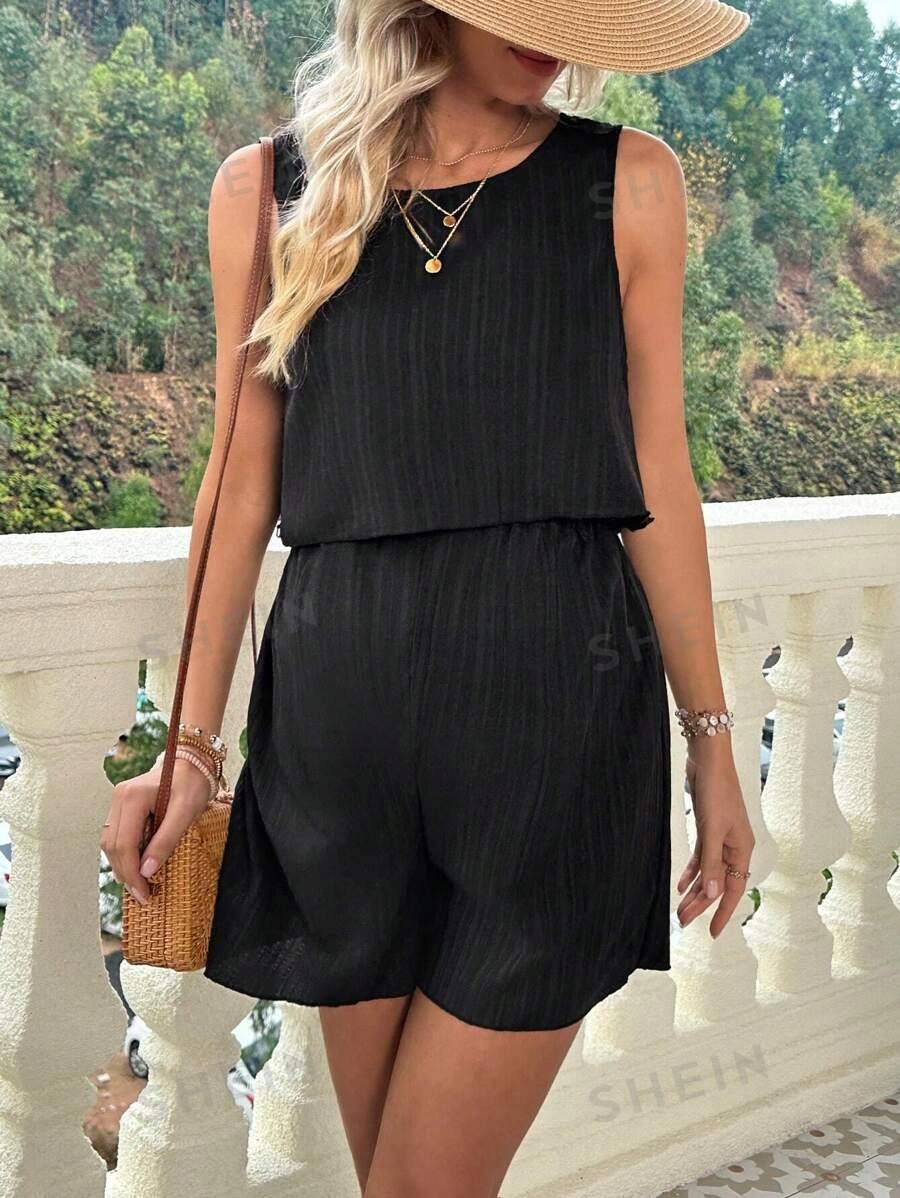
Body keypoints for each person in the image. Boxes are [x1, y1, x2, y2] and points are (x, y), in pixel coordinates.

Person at [101, 1, 756, 1194]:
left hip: (555, 734)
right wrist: (190, 745)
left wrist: (712, 737)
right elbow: (239, 480)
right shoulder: (267, 190)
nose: (553, 30)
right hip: (339, 747)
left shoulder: (627, 182)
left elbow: (658, 470)